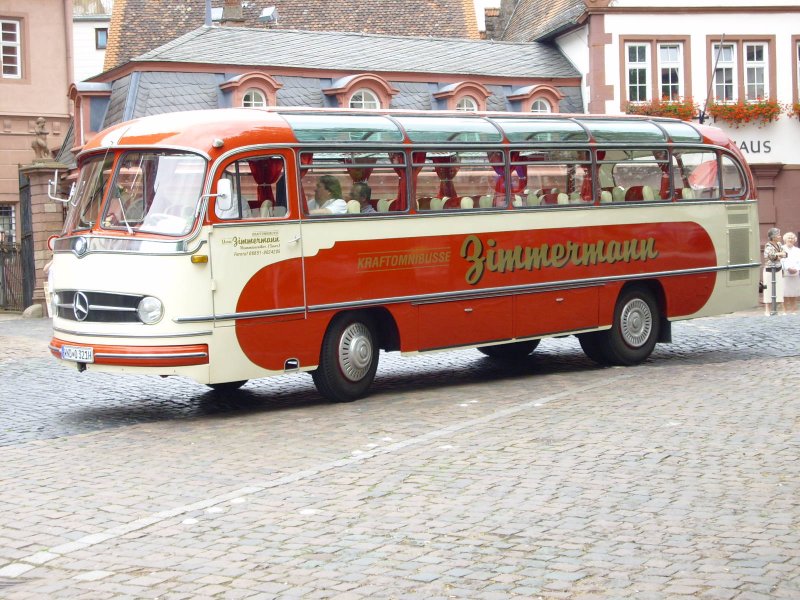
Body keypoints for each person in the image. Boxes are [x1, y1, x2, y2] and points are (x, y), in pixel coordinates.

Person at [762, 227, 787, 309]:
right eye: (778, 235)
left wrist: (778, 254)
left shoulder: (779, 244)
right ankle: (767, 309)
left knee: (779, 288)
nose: (780, 236)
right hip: (769, 270)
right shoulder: (768, 245)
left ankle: (782, 309)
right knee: (768, 289)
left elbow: (785, 254)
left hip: (778, 269)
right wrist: (779, 255)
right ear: (773, 237)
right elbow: (772, 257)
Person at [782, 231, 800, 312]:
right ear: (785, 239)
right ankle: (784, 310)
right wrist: (788, 268)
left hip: (795, 273)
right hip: (785, 274)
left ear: (795, 240)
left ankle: (793, 310)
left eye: (792, 238)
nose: (790, 239)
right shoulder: (781, 249)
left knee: (793, 292)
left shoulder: (798, 250)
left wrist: (796, 269)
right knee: (784, 293)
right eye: (789, 238)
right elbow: (781, 260)